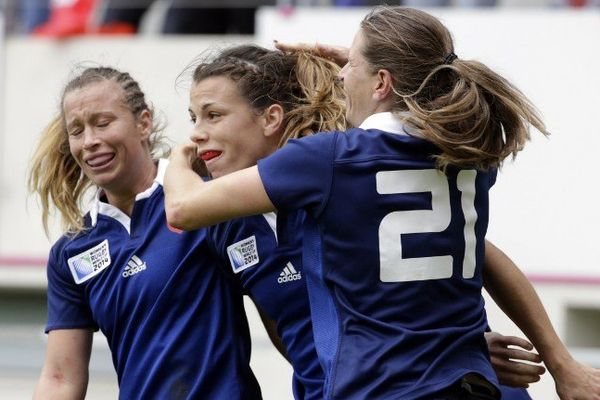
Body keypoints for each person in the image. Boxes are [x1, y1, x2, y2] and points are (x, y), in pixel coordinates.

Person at [181, 43, 546, 400]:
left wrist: (461, 347)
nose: (196, 133)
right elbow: (286, 327)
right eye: (193, 118)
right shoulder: (227, 221)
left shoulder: (340, 170)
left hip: (442, 383)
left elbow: (479, 254)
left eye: (214, 115)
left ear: (271, 117)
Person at [28, 67, 262, 399]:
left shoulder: (208, 202)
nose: (90, 141)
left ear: (144, 123)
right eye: (77, 131)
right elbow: (60, 378)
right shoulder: (72, 251)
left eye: (103, 123)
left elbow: (283, 314)